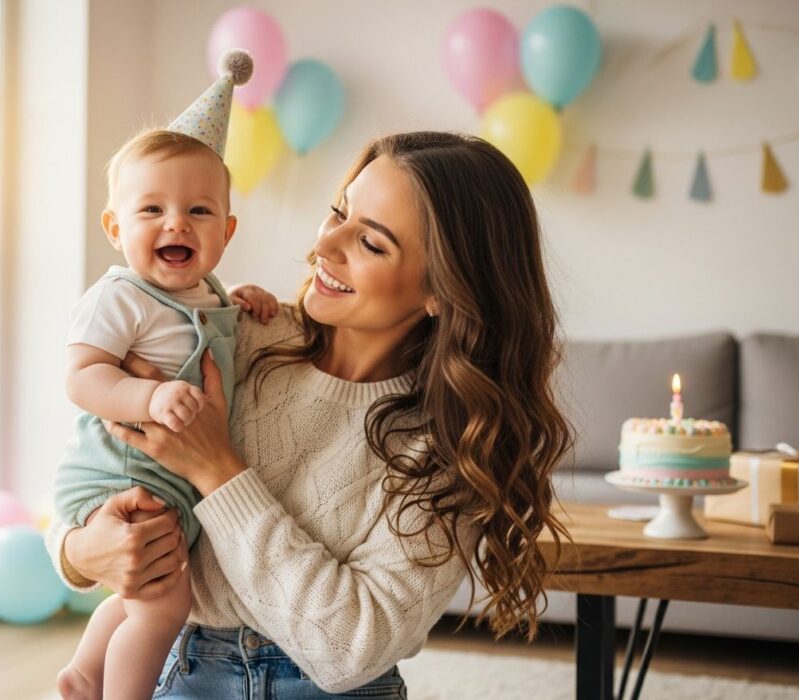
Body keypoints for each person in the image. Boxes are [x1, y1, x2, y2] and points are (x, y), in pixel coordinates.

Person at [47, 130, 573, 698]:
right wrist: (81, 549)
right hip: (181, 668)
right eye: (338, 212)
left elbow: (351, 651)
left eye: (371, 243)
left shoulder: (454, 440)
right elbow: (102, 462)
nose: (325, 246)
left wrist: (217, 471)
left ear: (443, 290)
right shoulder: (240, 336)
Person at [53, 51, 278, 700]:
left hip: (164, 483)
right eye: (151, 210)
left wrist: (246, 299)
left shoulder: (209, 291)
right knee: (163, 605)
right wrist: (148, 394)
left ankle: (84, 673)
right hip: (119, 472)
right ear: (114, 226)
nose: (176, 222)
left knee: (139, 594)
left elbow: (206, 317)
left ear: (226, 232)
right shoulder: (120, 295)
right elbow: (83, 376)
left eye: (199, 212)